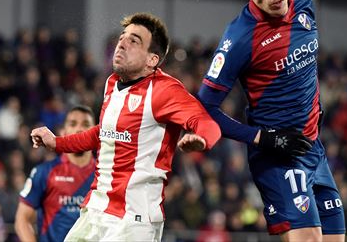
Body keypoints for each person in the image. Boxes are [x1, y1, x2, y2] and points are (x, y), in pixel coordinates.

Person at [197, 0, 345, 241]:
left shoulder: (305, 6)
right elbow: (205, 107)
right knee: (310, 238)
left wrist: (316, 113)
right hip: (277, 154)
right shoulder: (239, 39)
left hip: (312, 148)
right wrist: (264, 138)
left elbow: (305, 72)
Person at [30, 12, 221, 242]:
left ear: (152, 59)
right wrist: (58, 143)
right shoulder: (112, 83)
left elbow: (208, 124)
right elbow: (104, 133)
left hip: (134, 220)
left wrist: (201, 139)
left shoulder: (164, 90)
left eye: (134, 41)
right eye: (123, 37)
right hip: (95, 210)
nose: (122, 43)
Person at [15, 105, 97, 242]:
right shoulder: (44, 172)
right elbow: (22, 219)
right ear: (63, 131)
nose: (79, 129)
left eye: (86, 124)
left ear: (95, 133)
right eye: (73, 124)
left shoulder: (106, 174)